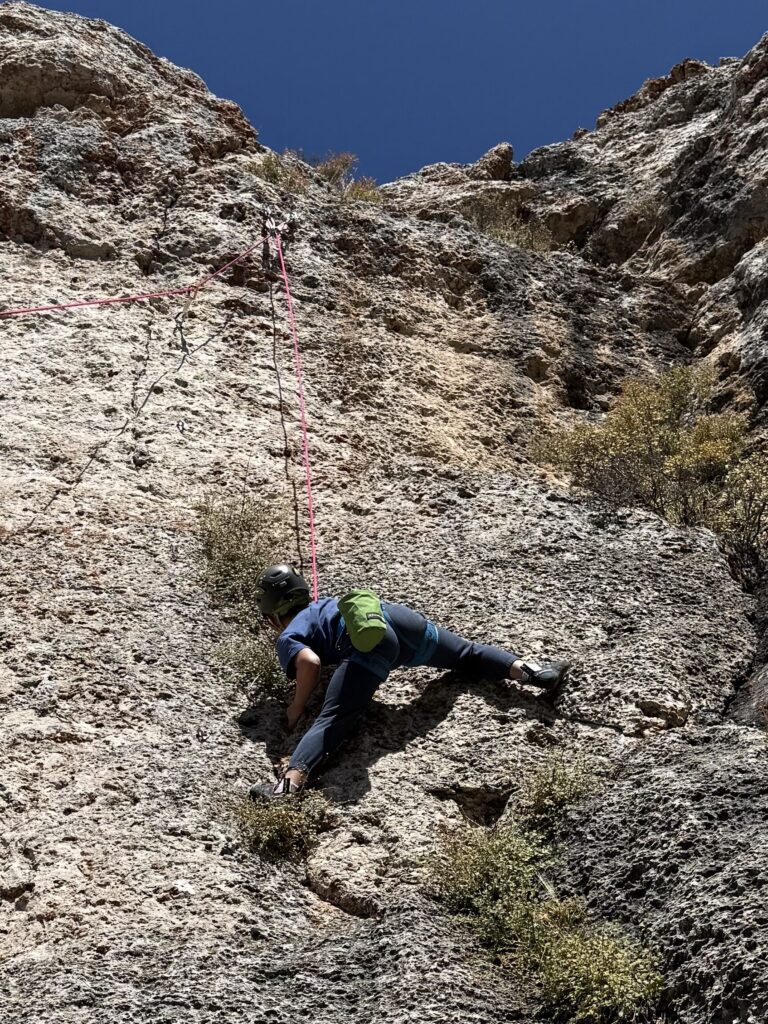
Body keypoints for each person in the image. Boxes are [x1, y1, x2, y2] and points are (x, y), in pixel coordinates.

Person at [249, 564, 570, 801]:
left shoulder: (289, 633)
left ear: (273, 615)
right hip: (398, 621)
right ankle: (534, 672)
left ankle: (286, 788)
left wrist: (295, 708)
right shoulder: (324, 605)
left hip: (371, 646)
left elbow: (309, 662)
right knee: (467, 654)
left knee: (333, 719)